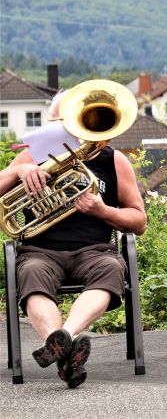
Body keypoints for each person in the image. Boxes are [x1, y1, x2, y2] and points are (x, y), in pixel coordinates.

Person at [0, 89, 147, 388]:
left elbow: (139, 221)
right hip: (39, 251)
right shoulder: (33, 154)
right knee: (29, 273)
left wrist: (103, 210)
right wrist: (20, 170)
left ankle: (63, 337)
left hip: (94, 251)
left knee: (111, 269)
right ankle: (68, 354)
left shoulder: (115, 161)